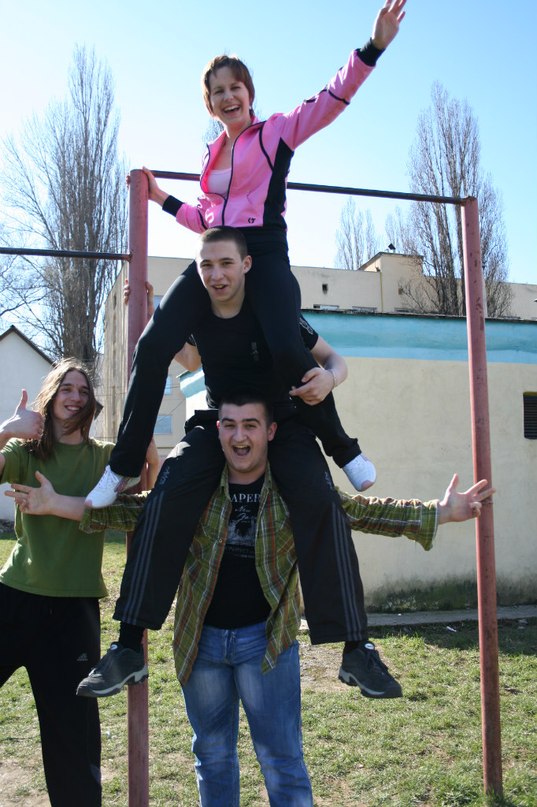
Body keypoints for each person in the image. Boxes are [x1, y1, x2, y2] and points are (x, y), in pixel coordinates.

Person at [8, 394, 495, 807]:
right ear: (217, 430)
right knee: (212, 757)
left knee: (282, 759)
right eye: (230, 425)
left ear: (270, 431)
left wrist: (440, 513)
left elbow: (359, 512)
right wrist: (54, 504)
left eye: (250, 425)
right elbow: (131, 512)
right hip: (200, 643)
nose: (239, 436)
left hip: (266, 645)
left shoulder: (294, 489)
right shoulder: (195, 486)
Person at [86, 0, 408, 509]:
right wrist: (161, 198)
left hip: (263, 250)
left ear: (249, 94)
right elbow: (206, 218)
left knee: (286, 345)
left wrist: (373, 47)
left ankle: (344, 450)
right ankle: (123, 466)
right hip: (218, 253)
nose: (228, 96)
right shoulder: (210, 156)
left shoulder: (277, 132)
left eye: (235, 87)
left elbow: (332, 99)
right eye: (218, 92)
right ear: (210, 105)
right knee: (153, 344)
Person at [74, 226, 408, 701]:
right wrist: (149, 316)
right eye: (207, 266)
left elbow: (333, 358)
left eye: (226, 264)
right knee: (168, 490)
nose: (217, 275)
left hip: (284, 420)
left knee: (320, 498)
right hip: (222, 421)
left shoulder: (272, 310)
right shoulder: (196, 312)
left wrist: (330, 379)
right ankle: (128, 646)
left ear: (246, 265)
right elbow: (189, 360)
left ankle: (357, 649)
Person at [0, 360, 114, 807]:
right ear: (50, 397)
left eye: (83, 390)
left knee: (73, 738)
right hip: (16, 597)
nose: (75, 396)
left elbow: (136, 500)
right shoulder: (25, 452)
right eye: (66, 388)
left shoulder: (104, 457)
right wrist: (7, 430)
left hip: (73, 609)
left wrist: (148, 448)